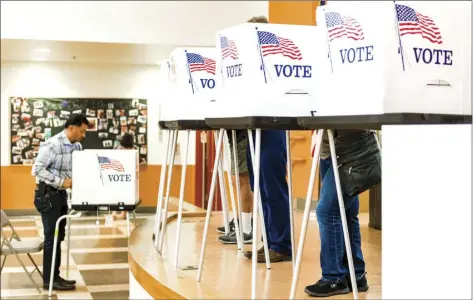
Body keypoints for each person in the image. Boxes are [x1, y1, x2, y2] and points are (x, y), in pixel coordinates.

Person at [240, 15, 292, 263]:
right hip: (255, 130)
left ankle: (282, 245)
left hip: (272, 128)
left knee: (273, 188)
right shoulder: (251, 65)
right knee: (260, 189)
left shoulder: (274, 61)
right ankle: (271, 241)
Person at [304, 130, 369, 297]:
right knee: (345, 212)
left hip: (350, 148)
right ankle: (356, 275)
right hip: (328, 148)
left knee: (327, 211)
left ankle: (334, 278)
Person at [31, 114, 89, 291]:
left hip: (61, 196)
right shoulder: (53, 144)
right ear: (71, 127)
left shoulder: (77, 146)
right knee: (51, 238)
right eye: (82, 130)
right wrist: (61, 181)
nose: (84, 135)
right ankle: (49, 281)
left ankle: (55, 276)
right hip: (48, 196)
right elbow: (37, 169)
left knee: (59, 238)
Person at [217, 130, 253, 244]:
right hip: (236, 136)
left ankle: (246, 229)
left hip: (243, 135)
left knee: (243, 180)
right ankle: (239, 220)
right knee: (236, 180)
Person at [113, 133, 136, 220]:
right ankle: (123, 214)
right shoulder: (133, 150)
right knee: (126, 195)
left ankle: (114, 212)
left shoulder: (118, 148)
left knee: (116, 194)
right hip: (129, 176)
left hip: (117, 175)